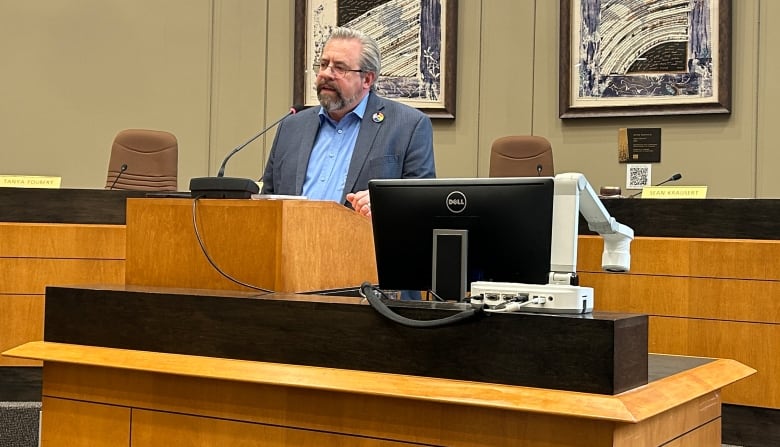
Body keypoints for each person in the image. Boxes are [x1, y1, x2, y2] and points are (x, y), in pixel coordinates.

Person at [261, 27, 436, 217]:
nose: (326, 74)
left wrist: (386, 203)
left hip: (362, 244)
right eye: (323, 64)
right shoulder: (291, 126)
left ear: (367, 79)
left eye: (340, 68)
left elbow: (423, 205)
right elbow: (267, 203)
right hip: (293, 244)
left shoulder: (408, 126)